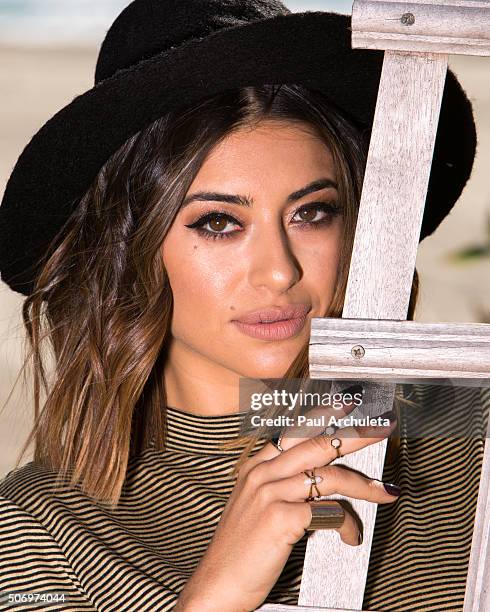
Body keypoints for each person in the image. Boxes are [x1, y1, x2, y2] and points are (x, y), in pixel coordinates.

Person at [0, 1, 487, 611]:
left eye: (312, 213)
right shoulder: (40, 535)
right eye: (219, 223)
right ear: (128, 252)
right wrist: (218, 594)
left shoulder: (476, 437)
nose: (280, 270)